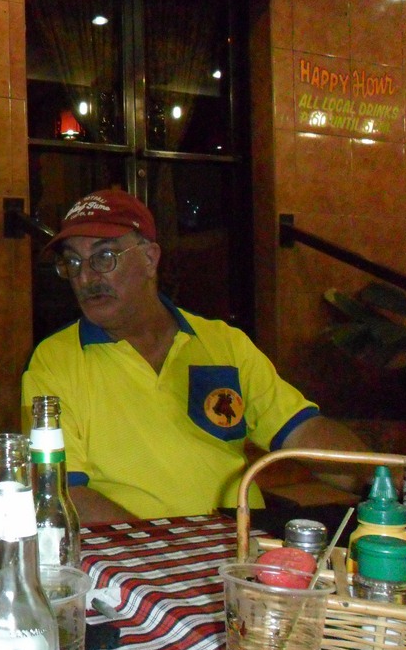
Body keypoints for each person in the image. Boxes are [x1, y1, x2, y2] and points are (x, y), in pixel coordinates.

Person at [21, 188, 367, 525]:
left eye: (104, 257)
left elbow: (302, 432)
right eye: (73, 262)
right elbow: (61, 491)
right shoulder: (55, 362)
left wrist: (381, 479)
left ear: (149, 259)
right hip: (135, 553)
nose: (85, 277)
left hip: (242, 540)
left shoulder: (223, 343)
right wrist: (166, 548)